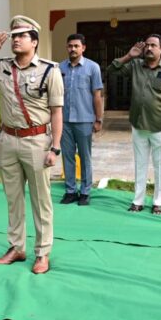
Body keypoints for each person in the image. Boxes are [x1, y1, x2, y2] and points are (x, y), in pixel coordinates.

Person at [0, 15, 63, 274]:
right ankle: (17, 247)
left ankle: (42, 252)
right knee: (13, 199)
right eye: (14, 36)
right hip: (8, 141)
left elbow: (56, 112)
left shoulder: (50, 71)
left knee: (41, 201)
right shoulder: (2, 67)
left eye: (22, 36)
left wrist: (55, 148)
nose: (16, 40)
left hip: (37, 141)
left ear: (35, 41)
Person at [109, 34, 161, 215]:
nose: (149, 48)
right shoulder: (135, 66)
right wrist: (129, 56)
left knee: (160, 166)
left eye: (153, 45)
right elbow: (112, 70)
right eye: (147, 45)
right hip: (138, 124)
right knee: (140, 165)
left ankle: (158, 202)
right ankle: (138, 201)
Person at [58, 33, 104, 206]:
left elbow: (97, 95)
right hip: (64, 120)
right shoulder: (59, 68)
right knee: (67, 156)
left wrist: (99, 119)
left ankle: (85, 192)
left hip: (85, 119)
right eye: (70, 46)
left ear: (83, 48)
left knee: (85, 157)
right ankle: (70, 191)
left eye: (76, 46)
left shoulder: (93, 67)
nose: (73, 49)